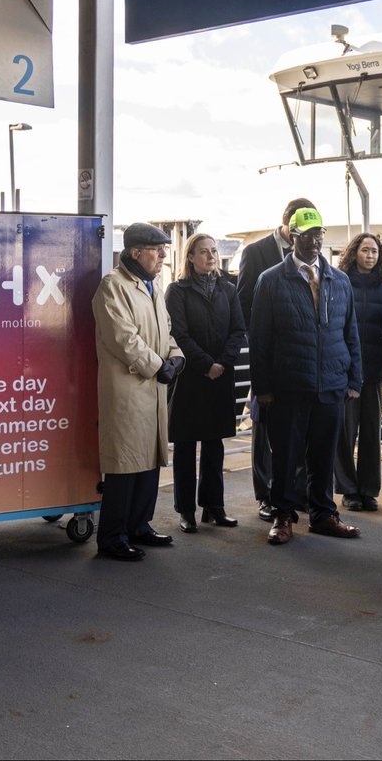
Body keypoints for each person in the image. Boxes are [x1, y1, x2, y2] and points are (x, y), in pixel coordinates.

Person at [249, 207, 363, 546]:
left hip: (331, 383)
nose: (315, 241)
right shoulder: (270, 280)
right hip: (289, 386)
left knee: (324, 454)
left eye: (319, 234)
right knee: (285, 455)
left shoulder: (339, 280)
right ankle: (284, 514)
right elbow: (259, 339)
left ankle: (323, 514)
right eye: (308, 235)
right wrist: (264, 387)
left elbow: (350, 331)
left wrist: (355, 378)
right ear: (292, 236)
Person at [92, 223, 184, 561]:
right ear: (135, 252)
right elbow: (123, 339)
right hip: (129, 390)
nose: (163, 255)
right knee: (125, 464)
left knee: (149, 461)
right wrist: (159, 366)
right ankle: (112, 536)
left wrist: (176, 358)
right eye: (156, 249)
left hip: (152, 388)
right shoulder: (112, 286)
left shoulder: (152, 286)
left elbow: (167, 331)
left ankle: (139, 524)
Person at [237, 197, 314, 522]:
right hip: (268, 354)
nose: (307, 236)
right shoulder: (256, 252)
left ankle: (293, 494)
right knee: (265, 426)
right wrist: (260, 344)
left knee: (298, 429)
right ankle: (265, 495)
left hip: (301, 359)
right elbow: (243, 301)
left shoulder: (312, 255)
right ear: (286, 222)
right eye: (300, 228)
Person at [166, 233, 246, 534]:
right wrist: (205, 365)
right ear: (190, 257)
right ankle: (186, 510)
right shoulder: (177, 291)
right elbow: (179, 335)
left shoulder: (228, 289)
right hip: (191, 379)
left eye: (213, 251)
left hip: (220, 378)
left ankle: (214, 506)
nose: (211, 256)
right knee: (186, 447)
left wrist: (222, 363)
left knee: (215, 445)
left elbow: (238, 329)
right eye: (203, 252)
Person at [335, 232, 382, 512]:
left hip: (374, 372)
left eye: (374, 251)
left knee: (372, 433)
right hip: (345, 373)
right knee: (345, 433)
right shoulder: (340, 285)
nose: (370, 256)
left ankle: (369, 490)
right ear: (353, 253)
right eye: (365, 250)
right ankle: (348, 490)